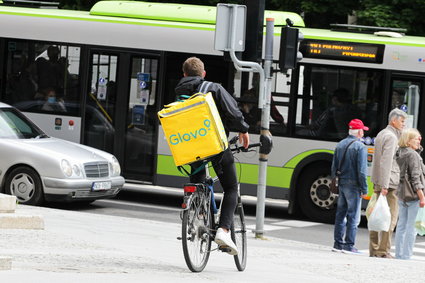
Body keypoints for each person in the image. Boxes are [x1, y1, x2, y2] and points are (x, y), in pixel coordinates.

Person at [175, 57, 250, 255]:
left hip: (189, 146)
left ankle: (197, 215)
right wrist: (243, 129)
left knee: (198, 183)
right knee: (231, 187)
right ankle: (224, 231)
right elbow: (233, 112)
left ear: (184, 74)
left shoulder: (179, 91)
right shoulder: (213, 88)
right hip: (213, 145)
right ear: (203, 73)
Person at [369, 108, 407, 258]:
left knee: (375, 215)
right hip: (389, 183)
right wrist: (385, 185)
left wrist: (378, 183)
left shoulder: (381, 134)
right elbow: (386, 162)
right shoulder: (391, 137)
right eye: (402, 121)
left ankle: (374, 249)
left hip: (380, 181)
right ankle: (383, 251)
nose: (404, 124)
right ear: (394, 121)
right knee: (390, 218)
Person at [331, 119, 368, 254]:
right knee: (353, 215)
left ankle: (337, 244)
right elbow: (362, 171)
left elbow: (334, 167)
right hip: (354, 185)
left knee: (340, 214)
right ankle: (349, 246)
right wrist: (364, 189)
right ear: (359, 132)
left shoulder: (340, 144)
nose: (363, 133)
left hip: (341, 183)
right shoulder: (360, 147)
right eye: (363, 130)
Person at [394, 128, 425, 260]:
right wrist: (422, 196)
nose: (419, 140)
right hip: (413, 195)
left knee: (401, 226)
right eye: (416, 138)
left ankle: (399, 254)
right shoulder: (413, 155)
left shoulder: (399, 152)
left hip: (402, 193)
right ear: (408, 140)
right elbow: (415, 178)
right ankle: (406, 256)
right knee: (412, 227)